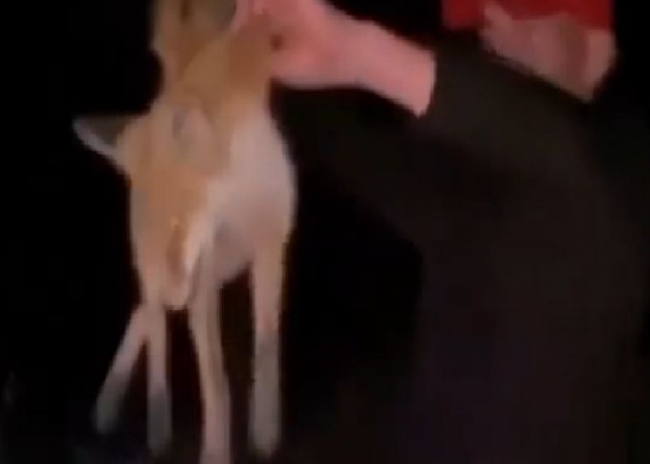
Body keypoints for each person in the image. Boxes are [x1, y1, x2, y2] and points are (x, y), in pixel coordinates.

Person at [74, 0, 649, 463]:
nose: (494, 28)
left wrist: (362, 53)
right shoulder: (478, 197)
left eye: (526, 13)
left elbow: (561, 157)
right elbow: (360, 151)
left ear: (598, 48)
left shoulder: (619, 178)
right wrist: (252, 72)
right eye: (481, 20)